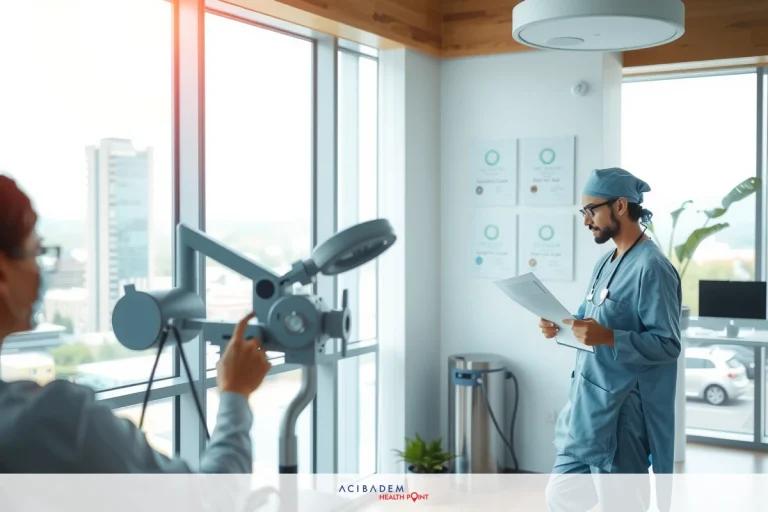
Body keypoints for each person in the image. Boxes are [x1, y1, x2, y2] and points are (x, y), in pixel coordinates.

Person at [0, 174, 272, 473]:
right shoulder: (57, 425)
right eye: (37, 253)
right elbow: (212, 499)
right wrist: (235, 393)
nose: (40, 272)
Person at [540, 168, 682, 512]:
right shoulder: (607, 260)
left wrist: (609, 337)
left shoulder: (652, 267)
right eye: (583, 212)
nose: (586, 221)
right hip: (587, 410)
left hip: (622, 416)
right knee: (560, 496)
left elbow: (668, 344)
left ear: (620, 206)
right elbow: (588, 321)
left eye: (592, 210)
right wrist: (558, 326)